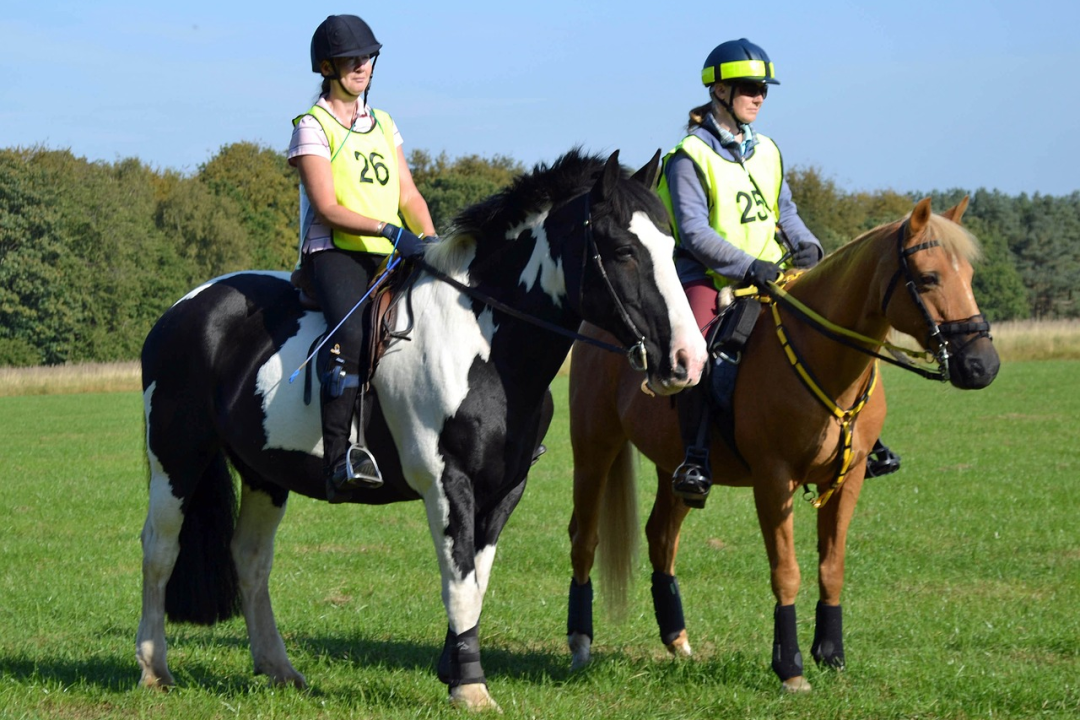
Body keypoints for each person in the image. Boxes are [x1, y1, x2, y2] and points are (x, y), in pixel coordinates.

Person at [656, 38, 899, 508]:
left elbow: (783, 211)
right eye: (750, 87)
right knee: (700, 354)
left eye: (764, 87)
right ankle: (696, 456)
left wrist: (808, 246)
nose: (760, 95)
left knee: (836, 331)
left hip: (772, 274)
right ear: (720, 91)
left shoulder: (766, 149)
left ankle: (863, 443)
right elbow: (693, 231)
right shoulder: (688, 156)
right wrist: (749, 265)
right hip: (711, 277)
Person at [288, 14, 437, 499]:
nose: (362, 67)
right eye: (352, 60)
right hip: (335, 251)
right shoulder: (312, 127)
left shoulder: (384, 123)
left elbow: (409, 194)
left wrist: (430, 239)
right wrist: (390, 231)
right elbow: (328, 208)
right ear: (327, 67)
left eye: (367, 58)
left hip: (389, 248)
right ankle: (338, 459)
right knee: (349, 336)